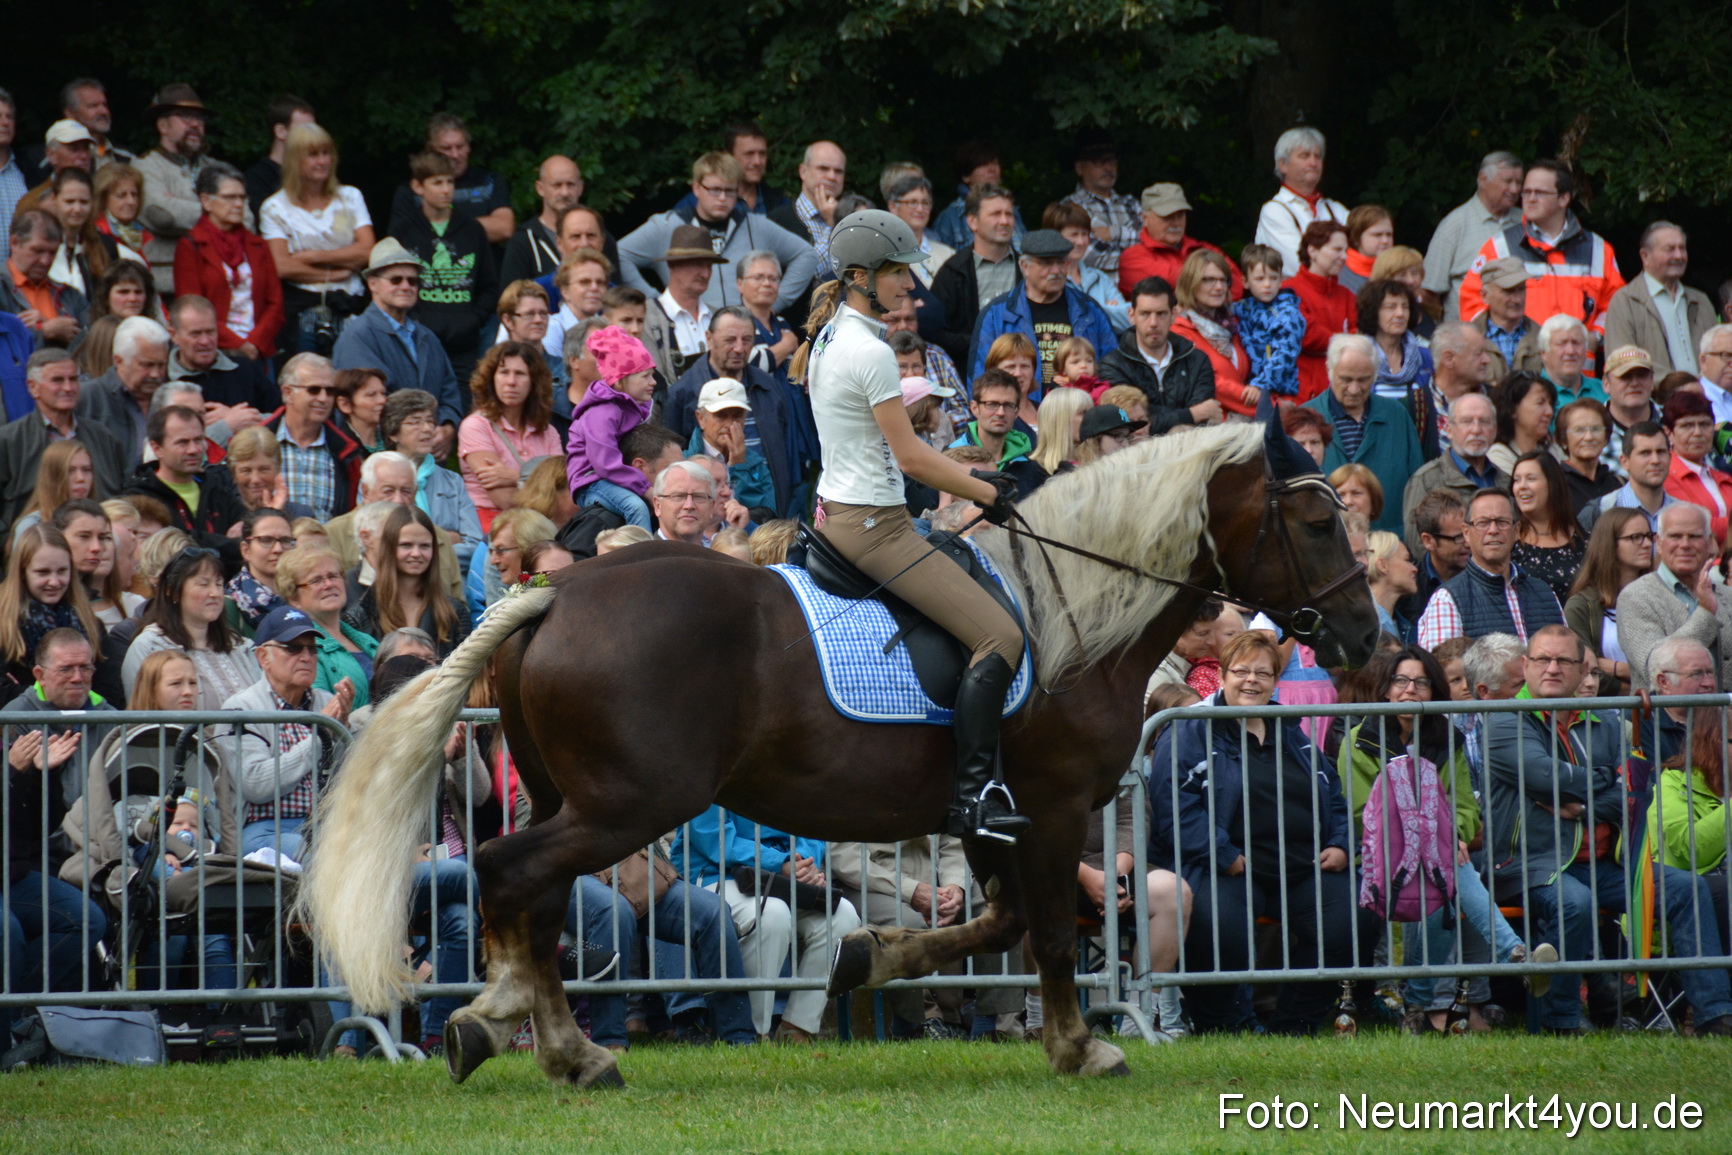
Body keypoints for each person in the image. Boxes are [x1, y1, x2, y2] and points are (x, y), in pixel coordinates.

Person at [803, 209, 1029, 842]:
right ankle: (976, 794)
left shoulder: (828, 336)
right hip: (874, 527)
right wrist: (985, 491)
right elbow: (910, 456)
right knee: (1001, 639)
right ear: (859, 277)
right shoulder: (870, 350)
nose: (912, 286)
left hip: (847, 509)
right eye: (898, 273)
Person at [1155, 630, 1357, 1033]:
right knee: (1219, 926)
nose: (1252, 681)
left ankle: (1293, 1025)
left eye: (1263, 673)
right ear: (1223, 676)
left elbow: (1334, 797)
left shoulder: (1290, 730)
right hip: (1229, 866)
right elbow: (1175, 808)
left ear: (1275, 680)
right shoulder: (1191, 729)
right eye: (1242, 671)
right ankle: (1229, 1027)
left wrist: (1340, 844)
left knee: (1351, 920)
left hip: (1301, 865)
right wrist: (1223, 855)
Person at [669, 806, 862, 1043]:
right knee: (771, 914)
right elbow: (711, 836)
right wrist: (779, 863)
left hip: (783, 876)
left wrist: (803, 865)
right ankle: (752, 1034)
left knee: (844, 915)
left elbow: (811, 826)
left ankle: (796, 1028)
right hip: (717, 874)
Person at [2, 628, 111, 1038]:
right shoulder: (15, 720)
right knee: (7, 930)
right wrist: (16, 771)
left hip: (33, 861)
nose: (78, 677)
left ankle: (25, 1015)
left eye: (86, 668)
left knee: (89, 919)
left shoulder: (109, 716)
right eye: (66, 669)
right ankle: (16, 1024)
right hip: (32, 858)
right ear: (39, 675)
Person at [224, 603, 355, 862]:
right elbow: (256, 784)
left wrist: (344, 729)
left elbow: (349, 781)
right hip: (264, 831)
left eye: (312, 648)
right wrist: (322, 734)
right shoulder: (241, 708)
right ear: (263, 657)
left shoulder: (326, 701)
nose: (306, 656)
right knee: (329, 858)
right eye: (293, 648)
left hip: (326, 827)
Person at [619, 152, 817, 314]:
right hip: (688, 330)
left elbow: (807, 255)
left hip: (745, 336)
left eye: (730, 191)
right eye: (714, 190)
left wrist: (774, 303)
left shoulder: (756, 225)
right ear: (696, 188)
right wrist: (657, 303)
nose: (722, 198)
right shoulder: (667, 226)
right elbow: (619, 254)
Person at [1458, 159, 1625, 337]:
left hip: (1577, 362)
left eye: (1539, 193)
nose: (1530, 199)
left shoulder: (1598, 249)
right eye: (1527, 192)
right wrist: (1500, 340)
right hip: (1519, 361)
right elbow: (1472, 301)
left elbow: (1617, 305)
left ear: (1563, 199)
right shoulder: (1500, 246)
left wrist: (1596, 336)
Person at [666, 306, 808, 515]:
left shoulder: (769, 386)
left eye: (747, 340)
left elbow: (786, 453)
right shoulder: (683, 393)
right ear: (709, 338)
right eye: (730, 340)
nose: (740, 348)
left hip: (766, 507)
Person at [332, 239, 464, 447]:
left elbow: (450, 393)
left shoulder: (428, 337)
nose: (406, 286)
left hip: (426, 458)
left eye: (412, 281)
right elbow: (366, 407)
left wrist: (447, 428)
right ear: (372, 284)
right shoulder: (357, 337)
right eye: (396, 280)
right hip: (381, 459)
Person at [397, 149, 499, 387]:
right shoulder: (403, 230)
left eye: (450, 182)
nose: (446, 189)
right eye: (437, 182)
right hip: (417, 337)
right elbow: (391, 282)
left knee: (463, 406)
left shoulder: (473, 230)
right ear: (418, 186)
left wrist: (472, 320)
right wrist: (415, 320)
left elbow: (489, 286)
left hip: (464, 342)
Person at [1416, 487, 1565, 648]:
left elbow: (1568, 658)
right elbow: (1442, 671)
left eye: (1502, 522)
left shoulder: (1544, 593)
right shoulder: (1447, 600)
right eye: (1483, 523)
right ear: (1466, 532)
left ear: (1516, 531)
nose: (1493, 530)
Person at [966, 229, 1115, 387]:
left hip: (1081, 408)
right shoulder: (996, 314)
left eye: (1062, 262)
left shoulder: (1090, 310)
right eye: (1047, 263)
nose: (1056, 271)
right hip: (1020, 410)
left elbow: (1111, 370)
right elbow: (979, 381)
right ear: (1025, 266)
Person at [1304, 334, 1421, 532]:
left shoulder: (1396, 415)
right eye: (1346, 379)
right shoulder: (1307, 419)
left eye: (1364, 380)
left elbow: (1418, 483)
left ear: (1375, 374)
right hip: (1328, 546)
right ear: (1329, 371)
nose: (1354, 389)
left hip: (1391, 543)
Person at [119, 540, 258, 707]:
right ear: (172, 591)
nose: (214, 593)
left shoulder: (240, 647)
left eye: (219, 584)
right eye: (203, 584)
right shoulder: (148, 647)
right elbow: (142, 710)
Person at [135, 85, 245, 296]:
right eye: (185, 116)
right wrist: (223, 212)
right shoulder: (145, 167)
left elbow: (246, 218)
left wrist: (181, 204)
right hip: (166, 287)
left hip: (218, 283)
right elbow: (163, 215)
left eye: (200, 118)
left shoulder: (220, 169)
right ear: (163, 125)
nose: (195, 124)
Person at [0, 350, 130, 529]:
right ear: (32, 387)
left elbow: (122, 493)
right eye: (57, 380)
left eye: (74, 379)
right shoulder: (9, 441)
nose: (68, 388)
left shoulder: (103, 437)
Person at [173, 161, 284, 362]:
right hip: (213, 352)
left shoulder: (257, 245)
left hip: (258, 351)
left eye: (242, 197)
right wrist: (238, 344)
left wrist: (254, 343)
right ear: (206, 201)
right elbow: (191, 309)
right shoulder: (191, 246)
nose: (239, 204)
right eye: (230, 197)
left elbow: (275, 303)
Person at [1617, 503, 1732, 690]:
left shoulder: (1728, 596)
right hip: (1664, 718)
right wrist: (1705, 613)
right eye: (1675, 536)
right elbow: (1654, 667)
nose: (1685, 545)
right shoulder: (1635, 596)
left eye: (1694, 536)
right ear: (1659, 543)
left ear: (1710, 542)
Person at [120, 406, 248, 567]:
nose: (193, 450)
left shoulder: (217, 488)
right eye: (183, 442)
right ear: (157, 448)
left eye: (199, 440)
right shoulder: (138, 498)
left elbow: (249, 541)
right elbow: (171, 550)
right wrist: (229, 544)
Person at [343, 503, 472, 659]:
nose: (416, 553)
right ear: (388, 548)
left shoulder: (455, 613)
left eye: (424, 546)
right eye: (406, 545)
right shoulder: (359, 617)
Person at [457, 341, 560, 529]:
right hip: (491, 526)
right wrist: (543, 485)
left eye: (520, 374)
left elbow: (562, 494)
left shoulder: (548, 431)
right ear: (491, 378)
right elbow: (503, 499)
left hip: (541, 526)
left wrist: (513, 476)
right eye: (504, 373)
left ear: (534, 382)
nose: (511, 382)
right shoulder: (475, 426)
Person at [1098, 276, 1219, 434]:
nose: (1153, 322)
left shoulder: (1197, 360)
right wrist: (1191, 414)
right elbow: (1129, 424)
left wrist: (1157, 419)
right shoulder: (1112, 365)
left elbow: (1203, 422)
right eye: (1145, 314)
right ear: (1131, 315)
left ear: (1174, 314)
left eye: (1161, 313)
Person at [0, 524, 110, 698]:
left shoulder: (90, 624)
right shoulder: (4, 624)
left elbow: (108, 691)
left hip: (83, 724)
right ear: (22, 573)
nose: (54, 581)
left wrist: (28, 692)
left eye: (62, 571)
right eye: (43, 572)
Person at [566, 326, 659, 529]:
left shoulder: (635, 405)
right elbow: (605, 463)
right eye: (645, 377)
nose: (653, 382)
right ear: (619, 382)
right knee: (635, 507)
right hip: (591, 480)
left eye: (652, 375)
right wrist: (645, 489)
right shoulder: (603, 413)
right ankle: (640, 556)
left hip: (615, 478)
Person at [380, 389, 483, 571]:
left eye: (430, 421)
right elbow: (377, 544)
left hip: (448, 585)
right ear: (393, 433)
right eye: (415, 422)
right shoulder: (378, 477)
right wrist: (444, 539)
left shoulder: (452, 481)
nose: (427, 429)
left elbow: (474, 546)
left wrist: (416, 553)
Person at [1603, 222, 1713, 377]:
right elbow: (1621, 362)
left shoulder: (1701, 301)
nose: (1679, 256)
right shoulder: (1625, 302)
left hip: (1705, 399)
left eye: (1682, 248)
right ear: (1645, 256)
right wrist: (1676, 387)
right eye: (1670, 249)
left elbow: (1720, 357)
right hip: (1655, 399)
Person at [1423, 151, 1523, 321]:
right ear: (1483, 180)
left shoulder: (1526, 222)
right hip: (1467, 338)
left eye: (1519, 182)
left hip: (1521, 337)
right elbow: (1429, 292)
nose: (1514, 190)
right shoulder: (1455, 224)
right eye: (1507, 181)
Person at [1563, 508, 1653, 695]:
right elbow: (1582, 669)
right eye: (1636, 537)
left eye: (1649, 536)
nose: (1646, 544)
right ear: (1609, 544)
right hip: (1607, 712)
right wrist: (1632, 690)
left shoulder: (1660, 598)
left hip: (1660, 711)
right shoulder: (1581, 606)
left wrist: (1616, 668)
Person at [929, 184, 1020, 368]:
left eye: (1009, 214)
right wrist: (980, 344)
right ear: (972, 222)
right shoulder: (953, 272)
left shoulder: (1027, 268)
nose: (1004, 221)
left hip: (1023, 371)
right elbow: (935, 331)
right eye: (995, 214)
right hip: (970, 374)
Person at [386, 113, 514, 244]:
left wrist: (436, 227)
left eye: (460, 146)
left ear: (469, 147)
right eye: (446, 148)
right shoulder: (410, 190)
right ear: (430, 150)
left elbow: (504, 229)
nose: (455, 155)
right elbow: (401, 237)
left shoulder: (489, 181)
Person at [276, 544, 378, 706]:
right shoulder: (301, 649)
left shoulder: (366, 639)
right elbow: (318, 714)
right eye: (316, 580)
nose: (328, 584)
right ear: (294, 598)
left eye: (333, 576)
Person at [1115, 181, 1241, 302]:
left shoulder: (1203, 248)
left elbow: (1237, 286)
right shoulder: (1132, 258)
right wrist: (1214, 295)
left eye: (1180, 215)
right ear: (1144, 218)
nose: (1176, 222)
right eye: (1167, 216)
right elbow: (1162, 292)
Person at [1253, 127, 1347, 280]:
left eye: (1318, 157)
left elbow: (1364, 255)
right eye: (1304, 156)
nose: (1313, 162)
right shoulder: (1275, 211)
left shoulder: (1335, 209)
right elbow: (1298, 264)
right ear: (1282, 164)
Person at [1170, 250, 1256, 418]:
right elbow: (1212, 384)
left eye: (1223, 280)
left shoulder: (1233, 326)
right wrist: (1267, 407)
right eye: (1208, 280)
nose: (1218, 287)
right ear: (1190, 283)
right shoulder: (1179, 332)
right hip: (1213, 429)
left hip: (1245, 422)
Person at [1286, 220, 1357, 403]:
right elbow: (1308, 336)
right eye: (1336, 249)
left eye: (1345, 251)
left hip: (1343, 393)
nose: (1343, 257)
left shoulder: (1347, 295)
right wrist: (1344, 341)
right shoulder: (1288, 290)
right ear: (1313, 251)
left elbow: (1359, 336)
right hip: (1303, 394)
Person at [1508, 450, 1587, 601]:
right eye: (1516, 480)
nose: (1522, 486)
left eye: (1531, 479)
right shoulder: (1508, 541)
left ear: (1553, 484)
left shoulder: (1583, 541)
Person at [3, 210, 89, 347]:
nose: (45, 261)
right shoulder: (3, 288)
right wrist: (44, 331)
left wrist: (54, 328)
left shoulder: (70, 295)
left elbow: (92, 346)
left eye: (52, 252)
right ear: (14, 243)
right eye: (38, 251)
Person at [1232, 243, 1304, 401]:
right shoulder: (1242, 308)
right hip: (1248, 385)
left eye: (1273, 278)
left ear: (1281, 280)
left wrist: (1261, 384)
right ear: (1245, 282)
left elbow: (1285, 354)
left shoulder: (1287, 314)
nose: (1267, 285)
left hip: (1278, 391)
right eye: (1259, 279)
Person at [499, 155, 587, 285]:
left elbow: (615, 296)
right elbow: (511, 298)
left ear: (580, 188)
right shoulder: (523, 241)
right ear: (540, 188)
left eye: (570, 185)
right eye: (557, 185)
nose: (564, 192)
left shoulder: (597, 238)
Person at [1659, 391, 1732, 546]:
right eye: (1687, 426)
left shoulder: (1722, 476)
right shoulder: (1663, 477)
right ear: (1668, 433)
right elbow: (1696, 527)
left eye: (1704, 424)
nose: (1698, 433)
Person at [1578, 420, 1675, 536]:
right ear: (1624, 462)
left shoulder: (1685, 514)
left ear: (1670, 458)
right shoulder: (1598, 512)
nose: (1655, 460)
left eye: (1661, 452)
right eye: (1645, 453)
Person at [41, 168, 113, 299]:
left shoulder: (106, 246)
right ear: (54, 199)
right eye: (70, 201)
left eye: (84, 202)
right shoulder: (39, 245)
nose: (77, 209)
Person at [1467, 256, 1542, 380]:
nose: (1517, 299)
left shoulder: (1543, 338)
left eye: (1521, 289)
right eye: (1509, 291)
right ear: (1485, 295)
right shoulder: (1467, 340)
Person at [242, 94, 316, 217]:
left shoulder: (313, 173)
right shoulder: (256, 179)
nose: (313, 136)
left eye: (314, 130)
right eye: (304, 130)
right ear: (280, 131)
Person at [226, 506, 296, 633]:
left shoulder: (308, 594)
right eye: (266, 540)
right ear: (246, 550)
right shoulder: (228, 606)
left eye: (285, 540)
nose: (278, 549)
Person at [735, 251, 800, 379]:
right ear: (740, 284)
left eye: (773, 279)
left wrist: (804, 379)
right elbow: (747, 367)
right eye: (758, 277)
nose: (766, 284)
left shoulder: (782, 323)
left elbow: (796, 367)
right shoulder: (735, 322)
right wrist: (786, 346)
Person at [1553, 398, 1620, 512]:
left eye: (1596, 429)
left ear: (1606, 438)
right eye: (1579, 430)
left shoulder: (1618, 484)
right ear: (1564, 440)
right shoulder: (1554, 486)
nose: (1589, 437)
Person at [1485, 371, 1556, 476]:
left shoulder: (1554, 451)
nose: (1549, 412)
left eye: (1550, 404)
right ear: (1512, 409)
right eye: (1540, 403)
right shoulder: (1499, 456)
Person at [1600, 345, 1663, 463]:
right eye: (1625, 376)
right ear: (1606, 383)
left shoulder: (1673, 421)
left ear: (1652, 381)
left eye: (1642, 375)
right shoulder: (1592, 428)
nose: (1634, 383)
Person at [1364, 531, 1418, 640]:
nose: (1415, 569)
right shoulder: (1361, 626)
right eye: (1407, 560)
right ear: (1383, 565)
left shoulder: (1406, 628)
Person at [1338, 204, 1395, 295]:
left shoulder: (1398, 272)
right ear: (1356, 238)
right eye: (1377, 235)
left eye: (1389, 235)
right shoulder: (1338, 273)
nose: (1385, 241)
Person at [332, 366, 388, 456]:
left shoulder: (395, 439)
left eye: (383, 394)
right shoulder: (338, 448)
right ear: (345, 404)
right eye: (371, 395)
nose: (382, 400)